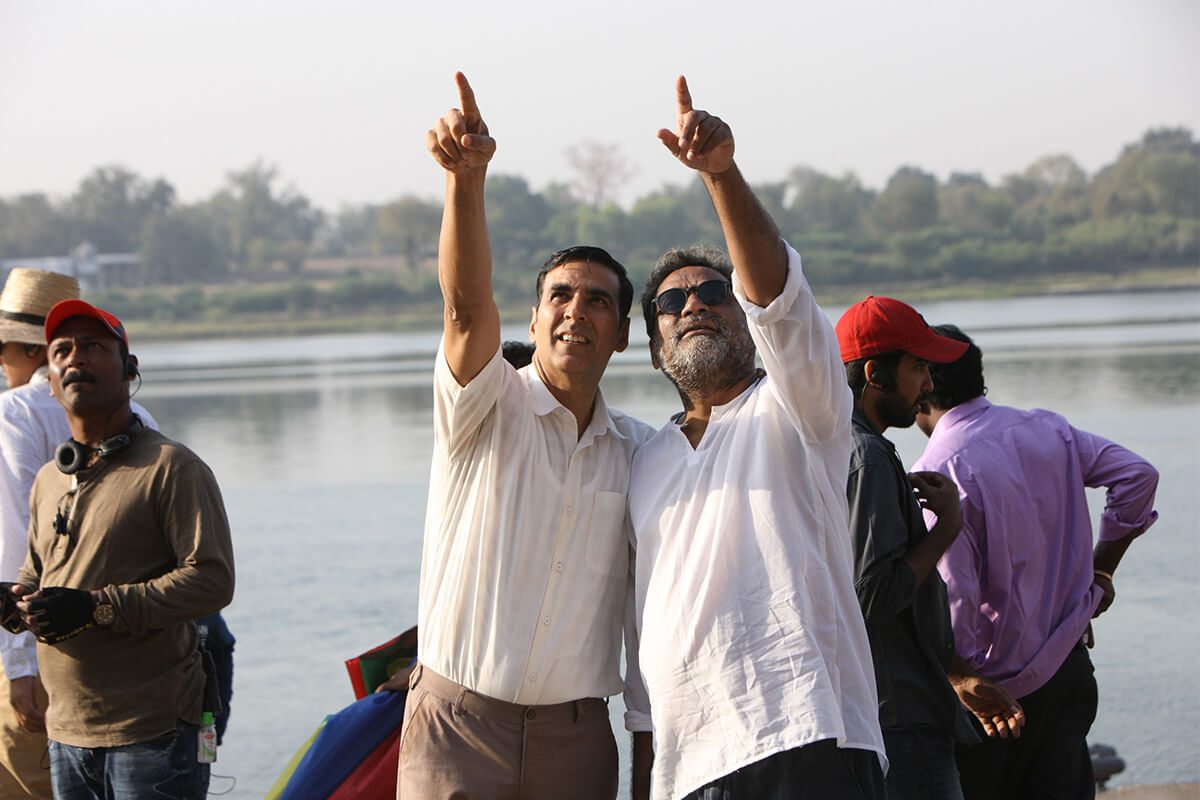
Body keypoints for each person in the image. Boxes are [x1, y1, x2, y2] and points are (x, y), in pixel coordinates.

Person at [623, 76, 886, 800]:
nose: (694, 304)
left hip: (808, 734)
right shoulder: (644, 460)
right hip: (689, 765)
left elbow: (779, 301)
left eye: (714, 293)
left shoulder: (798, 407)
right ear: (655, 351)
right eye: (671, 302)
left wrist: (720, 175)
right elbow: (641, 626)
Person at [399, 72, 652, 800]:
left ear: (622, 335)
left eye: (597, 301)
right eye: (559, 297)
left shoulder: (641, 453)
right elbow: (465, 305)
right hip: (458, 729)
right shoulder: (483, 409)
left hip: (577, 739)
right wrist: (465, 180)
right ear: (533, 322)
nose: (576, 311)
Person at [912, 324, 1159, 800]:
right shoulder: (1047, 429)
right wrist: (1101, 569)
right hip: (1069, 669)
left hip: (994, 696)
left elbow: (956, 595)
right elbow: (1137, 475)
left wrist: (959, 682)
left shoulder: (939, 471)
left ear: (923, 387)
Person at [6, 299, 234, 800]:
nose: (74, 358)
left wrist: (97, 606)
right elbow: (35, 571)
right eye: (61, 350)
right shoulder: (49, 479)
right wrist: (16, 600)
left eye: (92, 346)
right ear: (50, 381)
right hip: (66, 731)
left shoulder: (172, 468)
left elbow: (211, 581)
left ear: (129, 369)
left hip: (153, 731)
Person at [836, 297, 1023, 800]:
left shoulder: (839, 444)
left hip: (882, 709)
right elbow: (873, 594)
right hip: (899, 718)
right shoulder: (867, 456)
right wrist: (947, 527)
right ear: (875, 374)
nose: (927, 384)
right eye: (918, 367)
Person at [0, 269, 158, 799]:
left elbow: (18, 541)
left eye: (2, 348)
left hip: (42, 648)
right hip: (136, 656)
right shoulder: (140, 416)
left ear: (33, 351)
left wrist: (20, 664)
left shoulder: (13, 413)